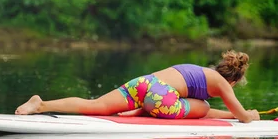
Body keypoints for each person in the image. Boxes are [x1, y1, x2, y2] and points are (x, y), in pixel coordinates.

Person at [15, 50, 260, 123]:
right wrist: (250, 115)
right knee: (204, 106)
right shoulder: (221, 83)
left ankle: (40, 104)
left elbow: (222, 111)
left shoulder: (200, 72)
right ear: (234, 80)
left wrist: (232, 114)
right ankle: (139, 112)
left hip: (143, 84)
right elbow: (242, 116)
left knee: (96, 105)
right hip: (160, 96)